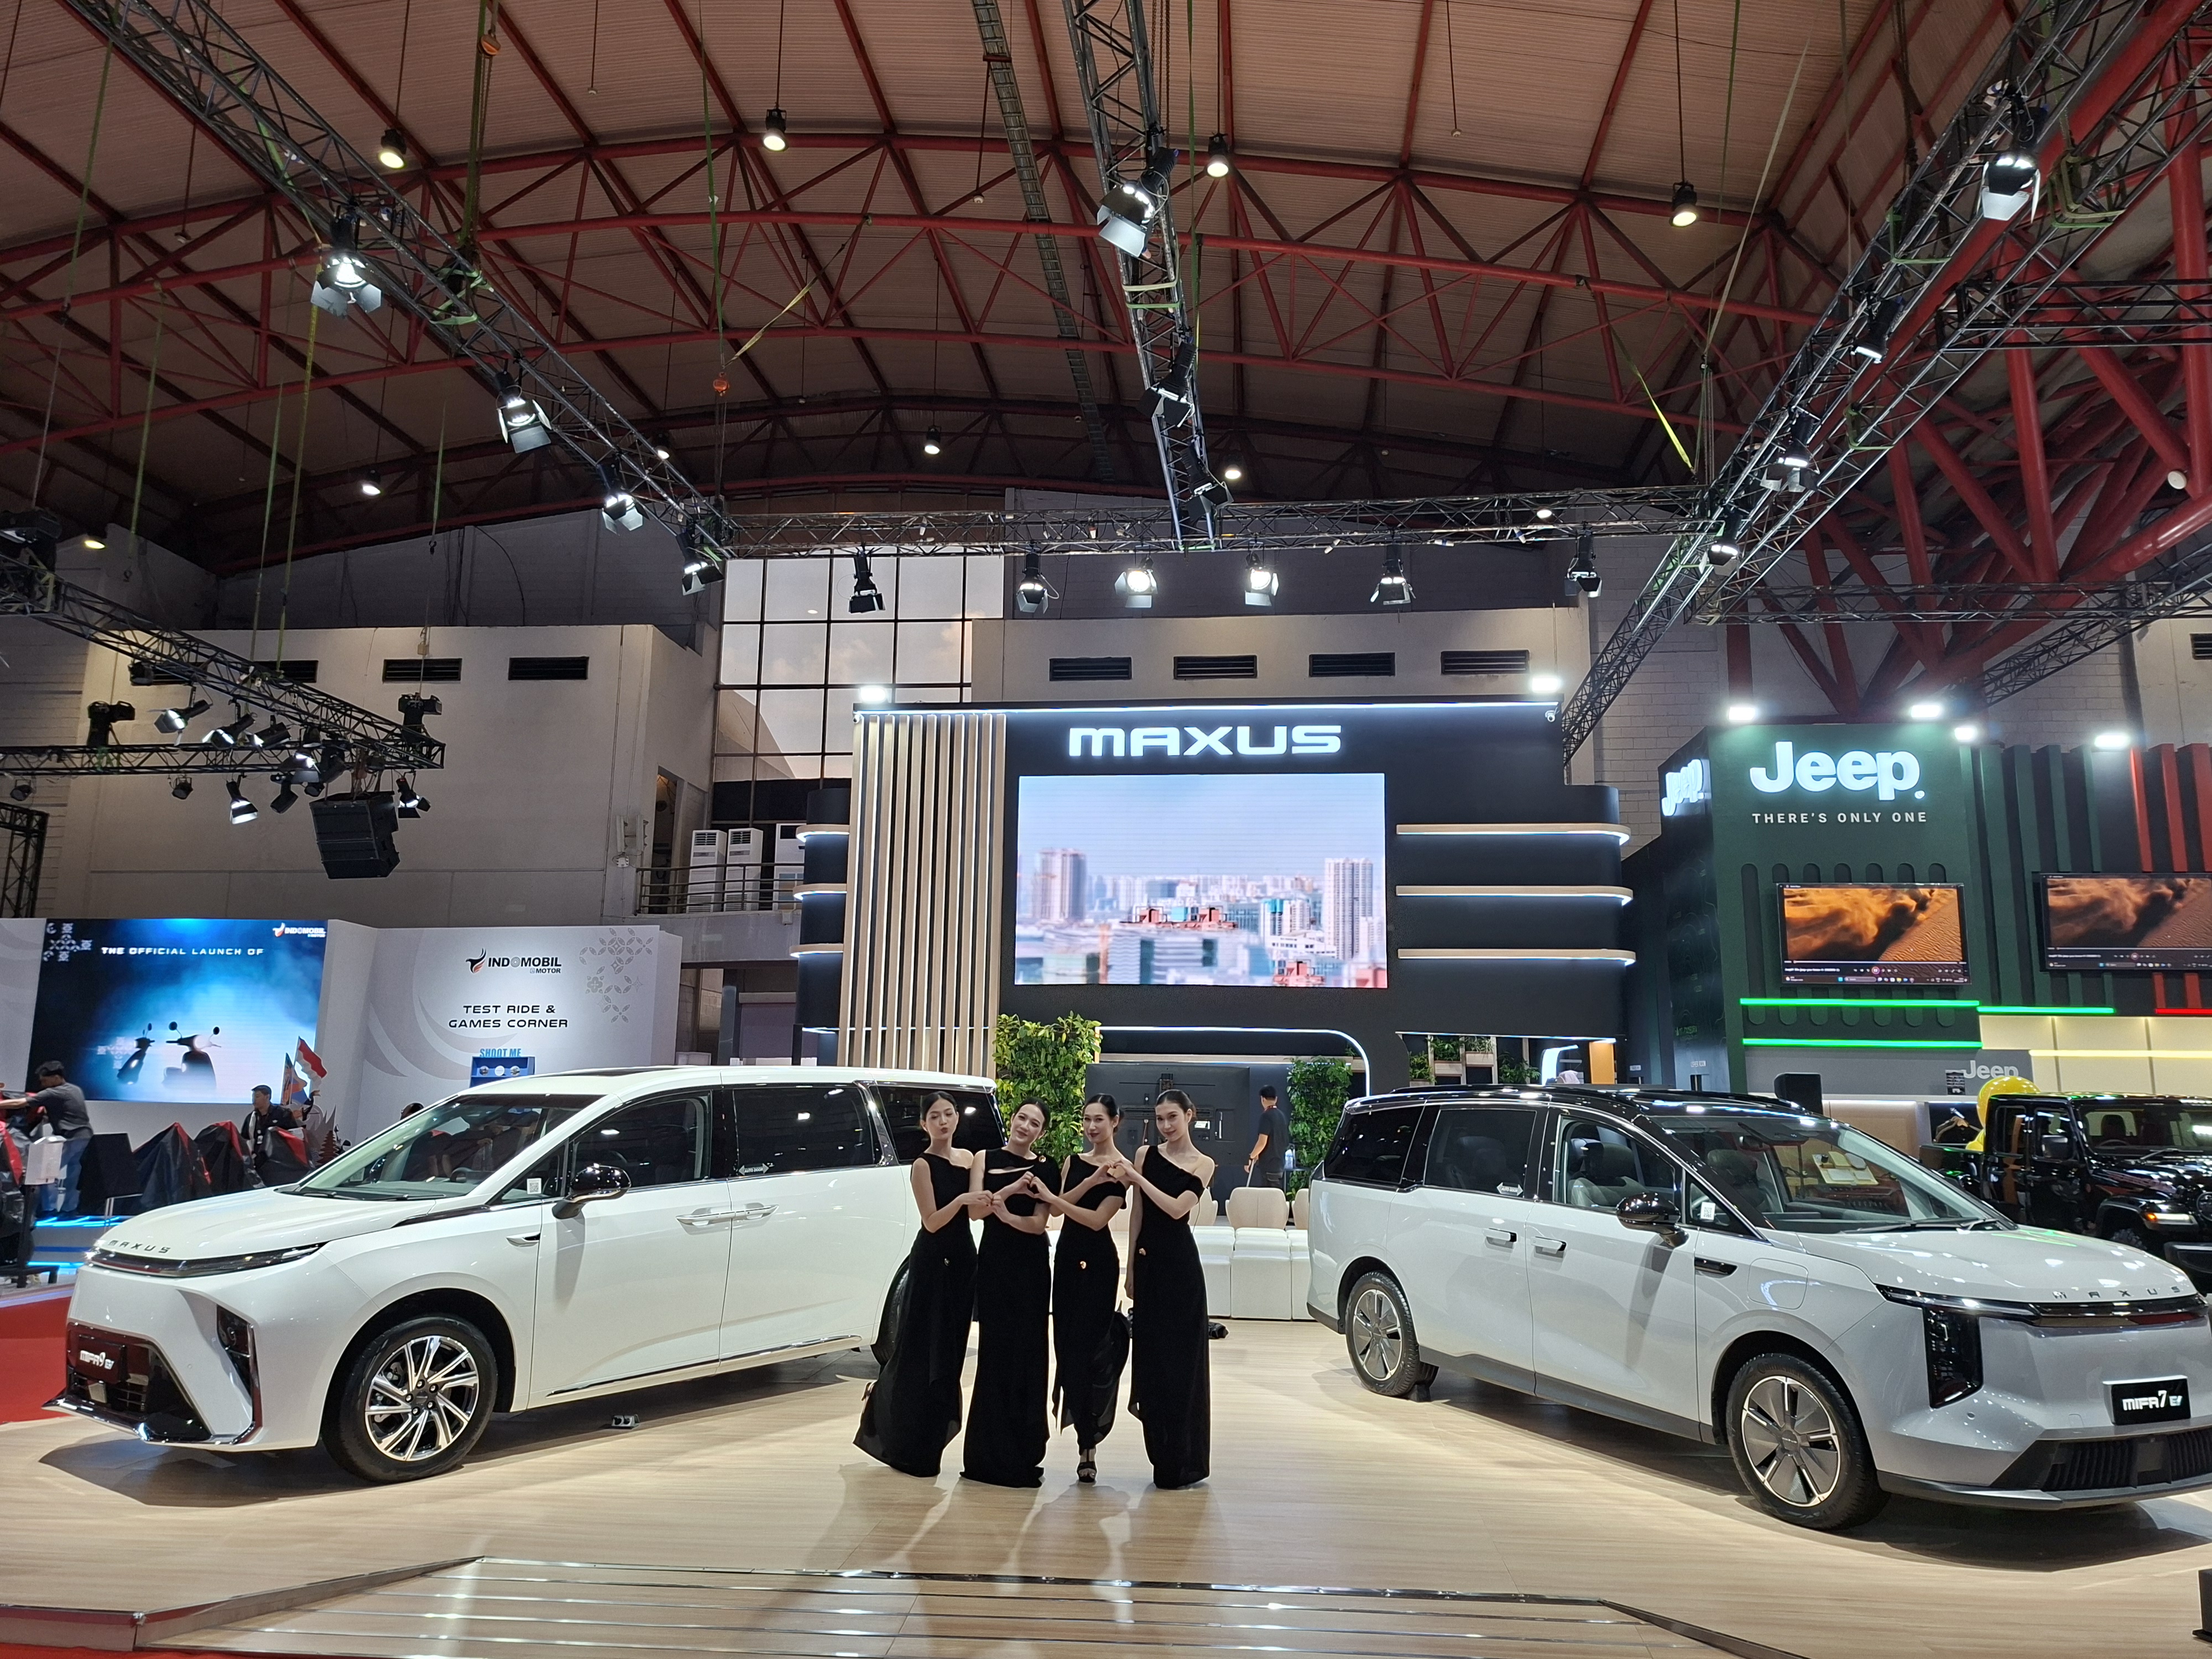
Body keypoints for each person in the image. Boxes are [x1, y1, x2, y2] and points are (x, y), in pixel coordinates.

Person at [856, 1095, 988, 1477]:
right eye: (935, 1116)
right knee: (919, 1351)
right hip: (932, 1261)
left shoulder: (970, 1158)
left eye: (948, 1114)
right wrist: (962, 1199)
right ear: (924, 1124)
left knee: (950, 1355)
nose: (943, 1121)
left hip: (963, 1260)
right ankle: (899, 1432)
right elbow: (932, 1221)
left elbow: (977, 1211)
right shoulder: (922, 1165)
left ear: (957, 1118)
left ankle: (932, 1438)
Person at [1114, 1087, 1213, 1488]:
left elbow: (1176, 1209)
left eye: (1173, 1117)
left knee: (1182, 1366)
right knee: (1152, 1363)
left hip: (1181, 1270)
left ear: (1190, 1115)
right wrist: (1130, 1268)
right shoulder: (1145, 1154)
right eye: (1160, 1119)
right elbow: (1138, 1212)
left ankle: (1184, 1460)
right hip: (1149, 1264)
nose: (1166, 1125)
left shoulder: (1204, 1163)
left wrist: (1137, 1178)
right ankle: (1161, 1456)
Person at [1026, 1093, 1126, 1484]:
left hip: (1099, 1265)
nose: (1092, 1127)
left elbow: (1098, 1220)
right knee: (1067, 1352)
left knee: (1093, 1354)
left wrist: (1060, 1197)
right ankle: (1082, 1436)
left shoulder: (1123, 1168)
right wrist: (1089, 1181)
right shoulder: (1074, 1162)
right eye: (1087, 1119)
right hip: (1067, 1260)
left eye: (1099, 1120)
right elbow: (1056, 1209)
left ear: (1115, 1122)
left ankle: (1089, 1445)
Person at [963, 1100, 1059, 1486]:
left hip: (1031, 1268)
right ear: (1013, 1119)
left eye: (1035, 1123)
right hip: (995, 1264)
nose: (1025, 1126)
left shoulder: (1047, 1168)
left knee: (1029, 1354)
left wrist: (1004, 1213)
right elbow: (975, 1211)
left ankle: (1023, 1452)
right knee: (995, 1352)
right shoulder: (983, 1158)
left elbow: (1038, 1224)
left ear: (1041, 1132)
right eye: (1022, 1118)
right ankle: (987, 1455)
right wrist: (1012, 1192)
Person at [3, 1062, 93, 1218]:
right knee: (74, 1175)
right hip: (85, 1136)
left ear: (56, 1078)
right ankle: (69, 1209)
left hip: (70, 1138)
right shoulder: (75, 1089)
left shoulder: (53, 1093)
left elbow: (19, 1102)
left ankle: (49, 1209)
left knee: (46, 1171)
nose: (42, 1085)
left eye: (45, 1081)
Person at [241, 1085, 299, 1182]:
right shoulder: (251, 1118)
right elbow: (244, 1139)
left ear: (267, 1097)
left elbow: (294, 1136)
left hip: (279, 1163)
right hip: (258, 1162)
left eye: (257, 1096)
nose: (254, 1100)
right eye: (253, 1097)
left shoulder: (283, 1114)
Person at [1244, 1084, 1290, 1190]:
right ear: (1276, 1099)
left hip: (1269, 1165)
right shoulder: (1282, 1116)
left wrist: (1251, 1157)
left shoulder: (1266, 1116)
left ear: (1263, 1099)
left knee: (1268, 1196)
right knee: (1276, 1193)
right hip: (1280, 1164)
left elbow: (1262, 1142)